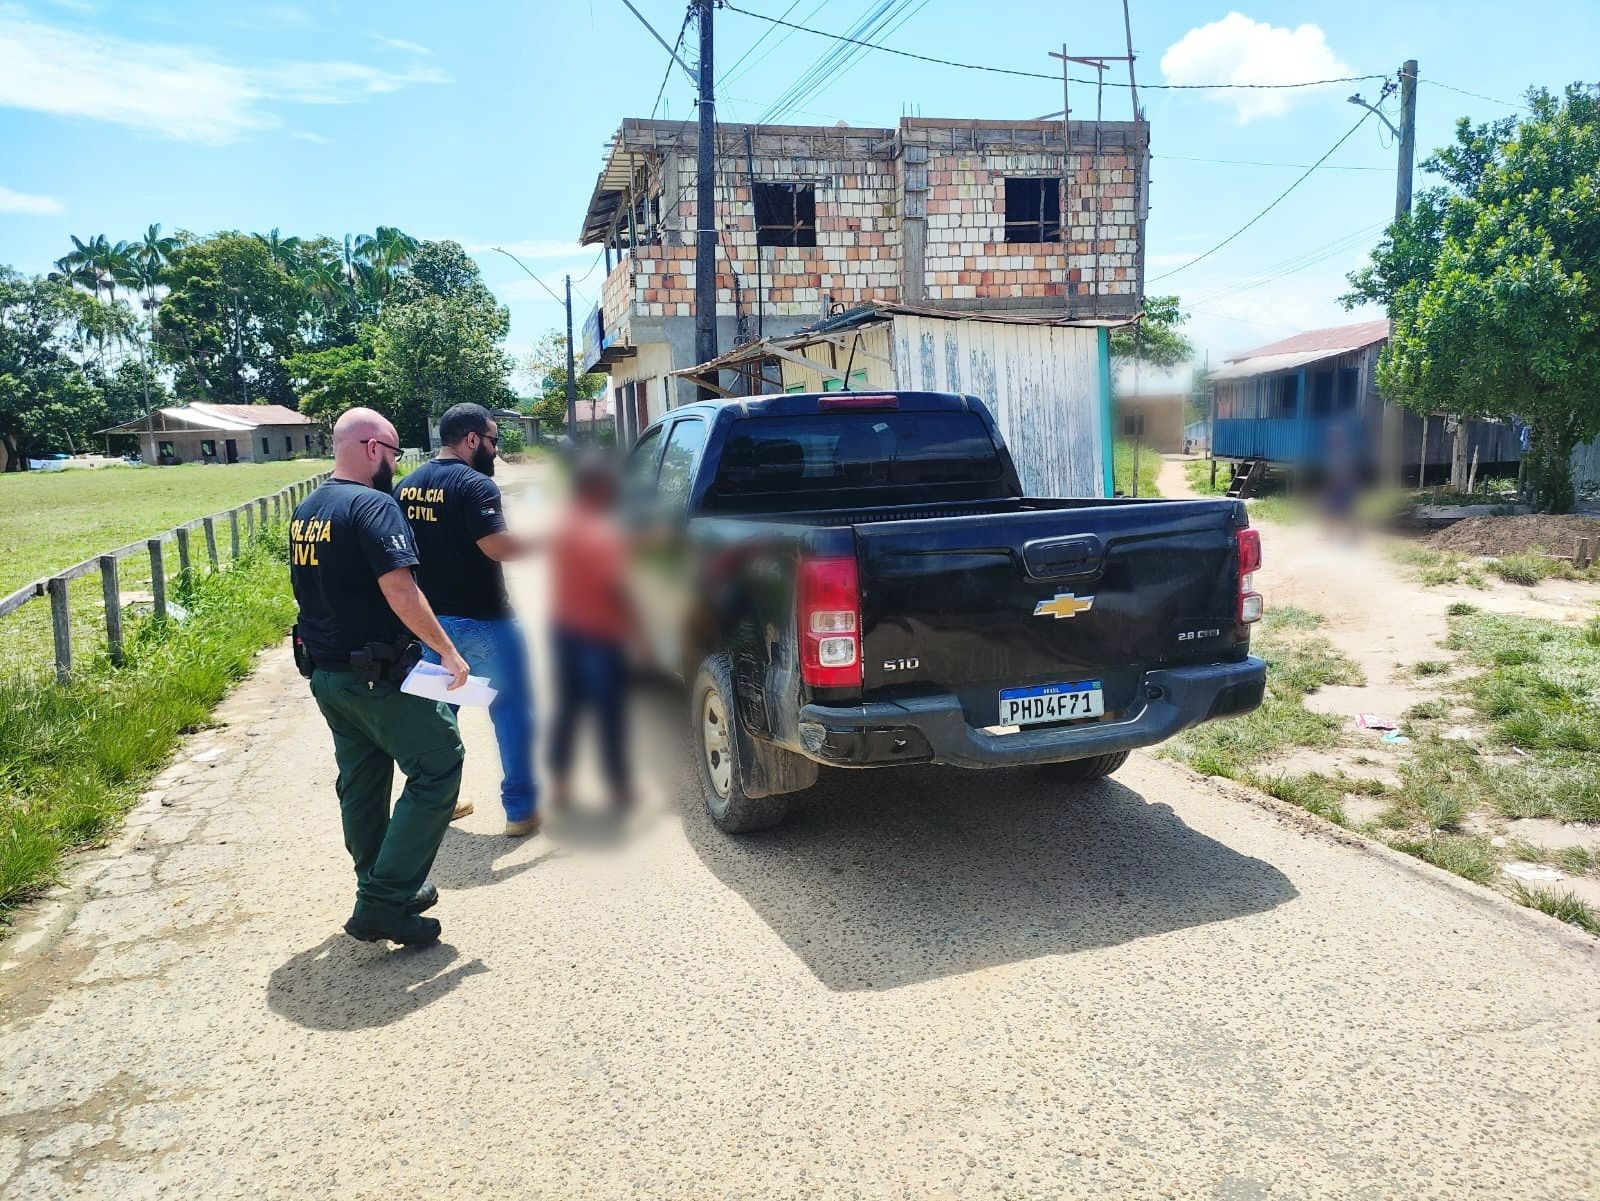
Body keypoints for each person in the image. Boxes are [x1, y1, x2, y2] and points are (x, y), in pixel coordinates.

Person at [290, 407, 471, 947]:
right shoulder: (374, 506)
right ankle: (384, 903)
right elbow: (402, 592)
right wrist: (449, 653)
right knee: (439, 765)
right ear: (372, 448)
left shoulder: (309, 509)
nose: (394, 463)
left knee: (363, 784)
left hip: (329, 675)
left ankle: (379, 885)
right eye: (392, 453)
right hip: (378, 677)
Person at [396, 402, 542, 837]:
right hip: (484, 620)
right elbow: (496, 546)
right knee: (512, 708)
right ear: (472, 439)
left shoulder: (406, 486)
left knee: (440, 715)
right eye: (494, 441)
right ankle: (521, 809)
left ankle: (439, 799)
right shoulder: (473, 484)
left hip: (430, 625)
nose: (496, 451)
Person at [547, 454, 635, 814]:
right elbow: (615, 587)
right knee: (609, 711)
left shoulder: (565, 522)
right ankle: (616, 786)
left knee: (568, 707)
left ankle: (561, 784)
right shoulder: (602, 531)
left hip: (564, 629)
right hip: (599, 634)